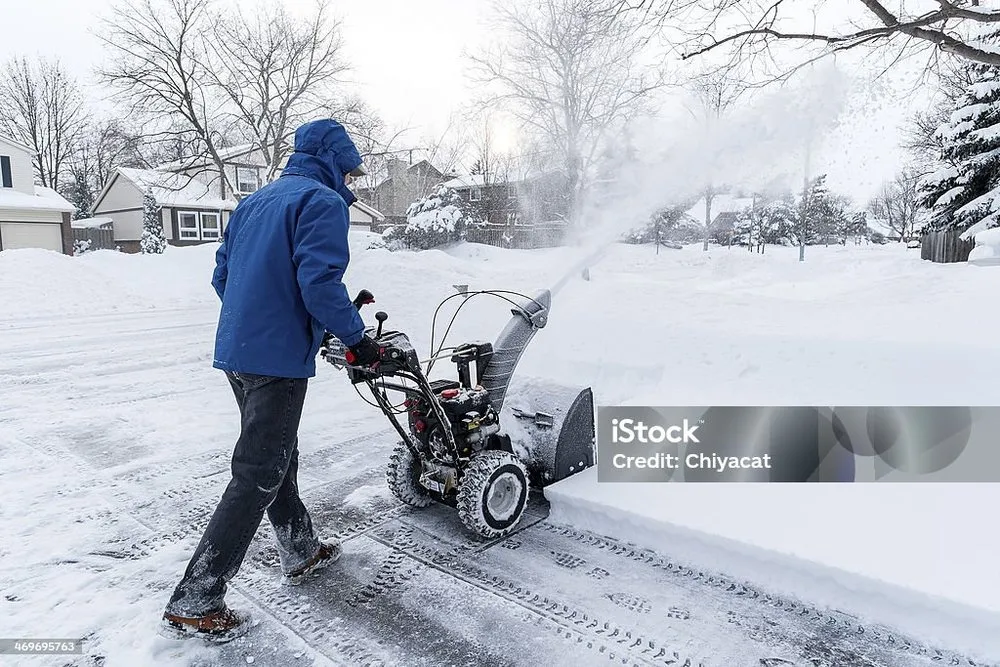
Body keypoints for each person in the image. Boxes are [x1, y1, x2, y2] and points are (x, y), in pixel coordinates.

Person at [161, 119, 381, 641]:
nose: (351, 180)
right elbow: (319, 284)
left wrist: (259, 318)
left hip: (237, 351)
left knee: (277, 453)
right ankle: (196, 598)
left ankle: (300, 548)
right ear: (334, 161)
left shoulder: (254, 202)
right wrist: (357, 339)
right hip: (275, 361)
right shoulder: (321, 202)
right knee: (258, 471)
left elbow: (223, 275)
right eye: (349, 170)